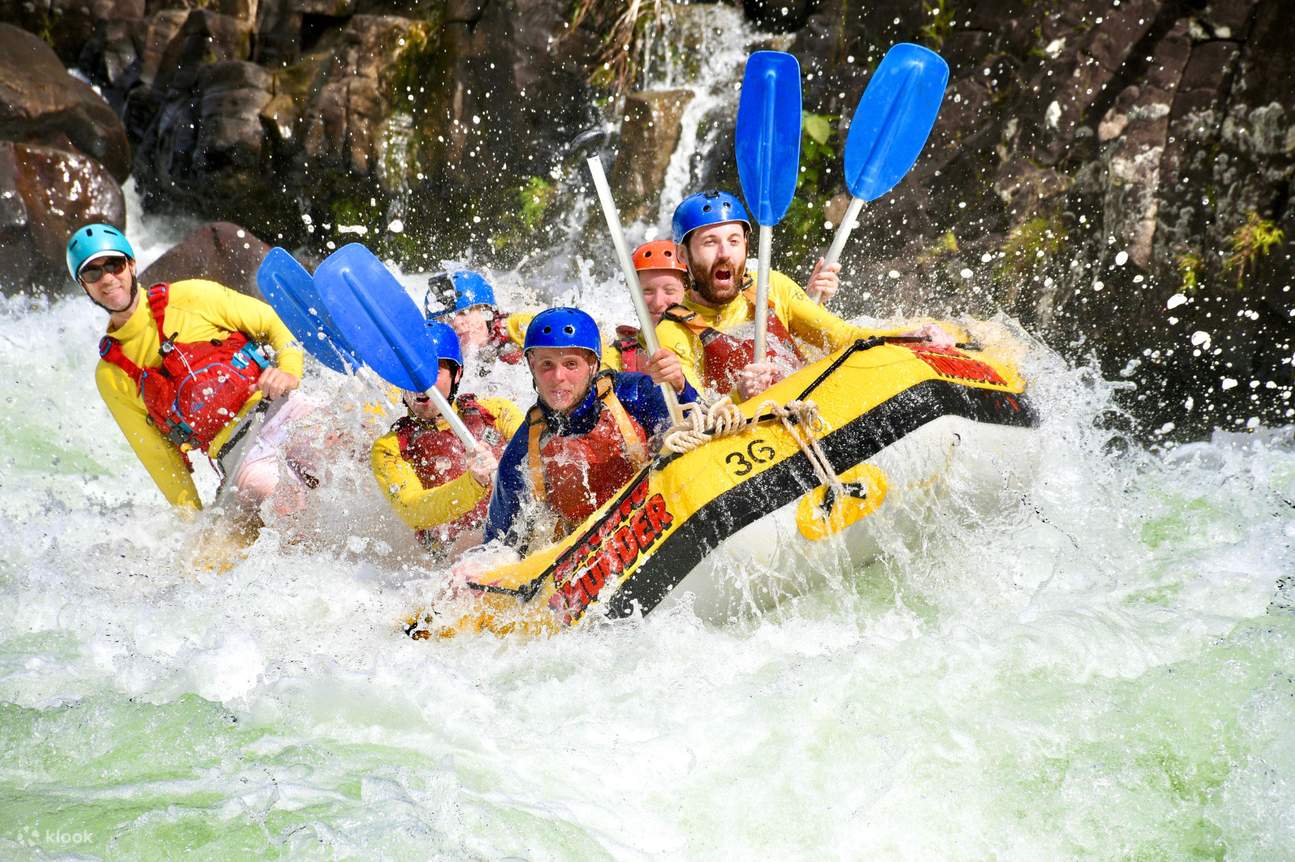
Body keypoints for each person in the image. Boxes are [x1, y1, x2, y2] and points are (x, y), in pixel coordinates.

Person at [70, 222, 307, 512]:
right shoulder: (111, 375)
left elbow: (273, 322)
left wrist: (289, 370)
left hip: (281, 408)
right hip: (239, 454)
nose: (107, 279)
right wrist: (193, 521)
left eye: (114, 265)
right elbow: (160, 459)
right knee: (282, 500)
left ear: (131, 265)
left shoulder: (192, 296)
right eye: (92, 273)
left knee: (346, 440)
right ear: (83, 285)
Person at [649, 190, 944, 402]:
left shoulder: (771, 287)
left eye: (734, 241)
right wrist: (739, 397)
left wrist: (906, 336)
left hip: (812, 410)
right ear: (683, 255)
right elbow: (694, 417)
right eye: (710, 243)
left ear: (747, 246)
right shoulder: (672, 333)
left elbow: (843, 337)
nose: (725, 253)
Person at [483, 307, 698, 553]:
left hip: (658, 522)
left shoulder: (636, 394)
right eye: (546, 365)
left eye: (571, 364)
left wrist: (681, 387)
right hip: (591, 556)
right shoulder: (524, 448)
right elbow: (496, 545)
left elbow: (696, 430)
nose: (558, 376)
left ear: (593, 365)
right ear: (532, 367)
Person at [371, 320, 522, 559]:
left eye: (434, 371)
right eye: (409, 373)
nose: (420, 383)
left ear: (456, 374)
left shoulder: (496, 413)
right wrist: (473, 483)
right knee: (468, 542)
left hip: (516, 526)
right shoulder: (389, 448)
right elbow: (412, 510)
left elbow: (537, 452)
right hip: (452, 552)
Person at [602, 239, 690, 373]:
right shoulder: (614, 355)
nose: (658, 302)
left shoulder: (703, 342)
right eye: (647, 291)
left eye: (669, 291)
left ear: (688, 293)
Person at [425, 270, 532, 367]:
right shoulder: (438, 360)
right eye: (447, 319)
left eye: (464, 312)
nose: (457, 322)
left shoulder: (517, 329)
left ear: (486, 311)